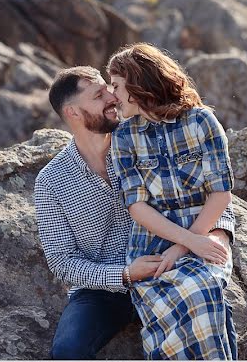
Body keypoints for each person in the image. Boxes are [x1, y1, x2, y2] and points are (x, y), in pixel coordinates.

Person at [35, 66, 235, 359]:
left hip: (169, 268)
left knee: (213, 308)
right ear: (73, 113)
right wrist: (124, 275)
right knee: (68, 350)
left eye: (109, 88)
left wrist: (216, 236)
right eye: (99, 95)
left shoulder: (144, 141)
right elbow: (61, 262)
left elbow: (209, 196)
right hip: (105, 290)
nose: (112, 97)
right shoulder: (52, 181)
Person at [107, 43, 237, 360]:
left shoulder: (202, 122)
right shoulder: (124, 137)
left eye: (116, 86)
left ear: (138, 86)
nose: (112, 96)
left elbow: (221, 194)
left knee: (202, 292)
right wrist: (184, 242)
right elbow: (137, 207)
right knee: (164, 310)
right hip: (151, 244)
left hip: (203, 230)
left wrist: (187, 244)